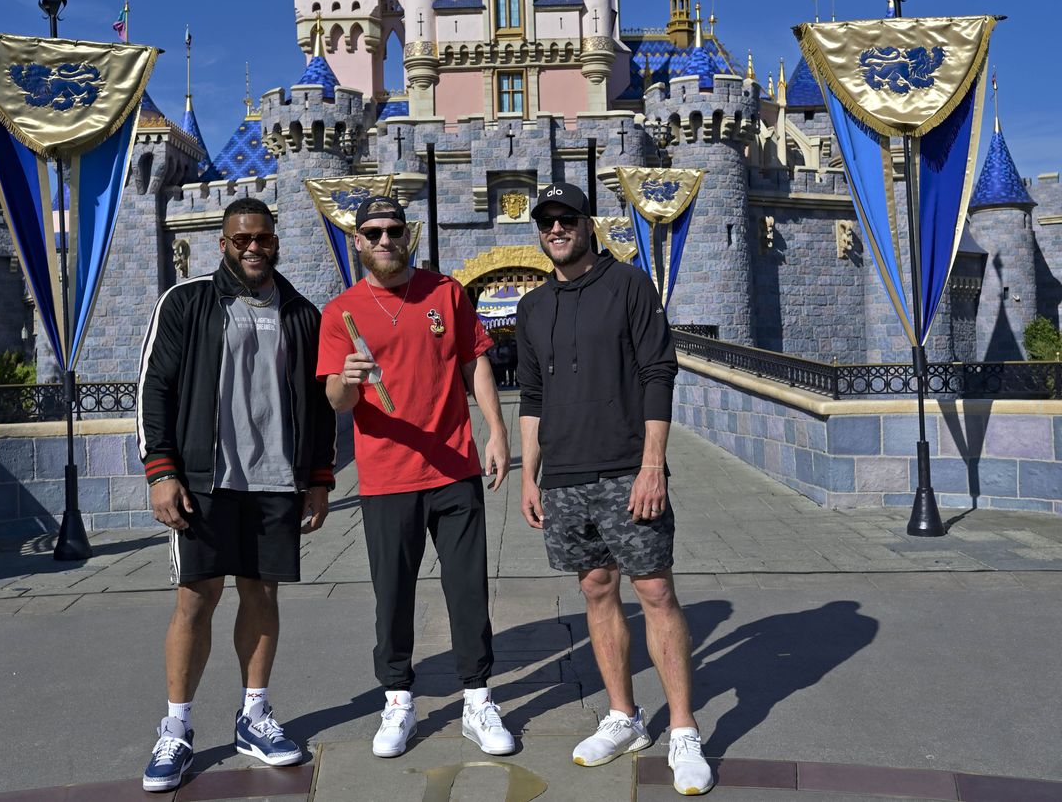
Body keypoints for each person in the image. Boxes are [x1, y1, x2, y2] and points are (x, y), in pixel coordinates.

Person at [516, 183, 713, 796]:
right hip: (566, 474)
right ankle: (624, 716)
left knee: (655, 591)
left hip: (628, 466)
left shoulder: (629, 285)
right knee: (597, 589)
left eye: (566, 219)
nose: (556, 229)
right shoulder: (531, 307)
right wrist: (529, 475)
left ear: (587, 224)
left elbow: (659, 371)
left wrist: (654, 463)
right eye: (546, 222)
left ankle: (682, 728)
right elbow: (532, 398)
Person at [136, 198, 336, 791]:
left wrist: (319, 477)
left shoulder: (302, 312)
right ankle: (176, 728)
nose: (253, 247)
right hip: (204, 479)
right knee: (196, 599)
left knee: (262, 594)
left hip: (275, 479)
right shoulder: (188, 301)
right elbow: (155, 387)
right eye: (241, 239)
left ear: (277, 242)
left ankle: (254, 715)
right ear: (222, 244)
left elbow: (320, 406)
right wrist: (160, 469)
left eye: (263, 238)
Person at [317, 196, 515, 759]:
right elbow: (336, 400)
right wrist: (348, 379)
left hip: (453, 467)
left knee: (467, 589)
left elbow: (475, 360)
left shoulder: (445, 292)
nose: (383, 240)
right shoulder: (342, 312)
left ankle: (477, 698)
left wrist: (496, 431)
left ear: (409, 235)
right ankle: (398, 699)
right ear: (358, 241)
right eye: (372, 232)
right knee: (393, 596)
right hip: (385, 476)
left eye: (393, 230)